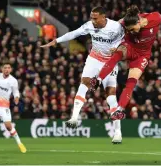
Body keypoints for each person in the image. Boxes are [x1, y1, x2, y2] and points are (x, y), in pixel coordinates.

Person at [40, 6, 124, 144]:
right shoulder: (90, 25)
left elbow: (125, 41)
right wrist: (56, 41)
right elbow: (74, 33)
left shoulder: (116, 27)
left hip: (110, 62)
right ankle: (74, 117)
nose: (92, 20)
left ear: (104, 17)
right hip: (94, 59)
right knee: (83, 84)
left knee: (111, 97)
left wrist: (119, 48)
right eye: (91, 17)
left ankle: (117, 132)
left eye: (95, 18)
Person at [90, 5, 161, 120]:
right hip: (130, 46)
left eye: (133, 29)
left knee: (131, 83)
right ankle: (98, 80)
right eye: (129, 30)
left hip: (142, 55)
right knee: (117, 55)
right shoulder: (125, 22)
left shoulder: (156, 18)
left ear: (139, 21)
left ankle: (119, 110)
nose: (132, 31)